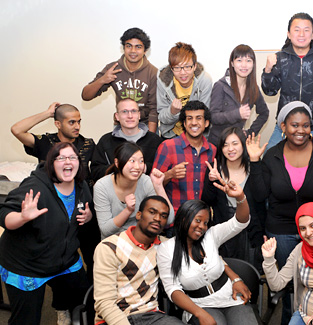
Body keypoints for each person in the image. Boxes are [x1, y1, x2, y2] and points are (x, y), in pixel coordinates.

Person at [247, 101, 313, 323]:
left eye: (306, 125)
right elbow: (259, 195)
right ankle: (291, 319)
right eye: (294, 125)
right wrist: (255, 161)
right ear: (283, 127)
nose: (301, 130)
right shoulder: (272, 156)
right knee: (290, 286)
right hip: (282, 230)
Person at [0, 142, 93, 325]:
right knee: (26, 320)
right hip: (27, 266)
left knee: (85, 302)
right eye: (61, 158)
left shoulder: (81, 186)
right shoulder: (35, 187)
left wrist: (88, 217)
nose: (68, 161)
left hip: (64, 260)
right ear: (52, 163)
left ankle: (63, 309)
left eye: (72, 157)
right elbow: (4, 215)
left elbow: (80, 213)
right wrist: (22, 217)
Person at [157, 177, 258, 325]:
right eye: (197, 220)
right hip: (199, 304)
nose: (202, 227)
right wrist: (199, 313)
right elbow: (172, 289)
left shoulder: (210, 235)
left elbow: (240, 222)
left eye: (205, 223)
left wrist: (240, 197)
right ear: (184, 218)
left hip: (230, 297)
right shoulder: (166, 249)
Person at [93, 195, 184, 325]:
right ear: (139, 215)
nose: (158, 218)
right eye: (152, 212)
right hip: (114, 319)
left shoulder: (165, 247)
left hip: (152, 316)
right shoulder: (109, 247)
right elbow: (105, 303)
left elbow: (196, 249)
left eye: (163, 216)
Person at [262, 12, 313, 148]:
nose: (301, 34)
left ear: (312, 35)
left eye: (306, 30)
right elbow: (270, 92)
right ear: (289, 34)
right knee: (268, 161)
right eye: (297, 30)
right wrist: (268, 70)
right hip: (285, 126)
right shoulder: (280, 58)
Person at [202, 127, 267, 271]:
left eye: (235, 143)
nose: (230, 149)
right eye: (225, 145)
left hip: (250, 233)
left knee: (249, 277)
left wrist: (255, 161)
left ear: (243, 145)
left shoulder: (254, 166)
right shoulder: (215, 168)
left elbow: (261, 196)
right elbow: (207, 201)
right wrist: (211, 180)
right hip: (224, 234)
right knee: (224, 276)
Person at [82, 27, 158, 132]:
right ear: (123, 48)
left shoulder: (153, 72)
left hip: (144, 125)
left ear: (145, 50)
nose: (133, 51)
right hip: (121, 125)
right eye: (129, 46)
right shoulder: (113, 68)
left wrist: (150, 139)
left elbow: (153, 110)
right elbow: (86, 96)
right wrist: (103, 80)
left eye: (138, 47)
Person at [93, 142, 173, 239]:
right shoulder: (102, 186)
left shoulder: (145, 181)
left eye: (141, 161)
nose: (137, 167)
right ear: (117, 163)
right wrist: (128, 210)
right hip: (113, 243)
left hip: (142, 240)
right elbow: (105, 229)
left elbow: (169, 219)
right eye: (132, 161)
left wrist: (159, 186)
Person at [153, 100, 216, 215]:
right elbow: (152, 186)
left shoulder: (212, 150)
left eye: (198, 118)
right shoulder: (168, 147)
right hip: (174, 218)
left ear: (206, 123)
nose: (194, 123)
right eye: (189, 118)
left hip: (201, 220)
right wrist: (170, 174)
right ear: (184, 123)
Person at [10, 102, 95, 182]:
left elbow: (98, 168)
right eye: (71, 122)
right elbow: (17, 130)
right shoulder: (46, 142)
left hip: (83, 195)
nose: (77, 127)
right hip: (51, 194)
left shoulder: (87, 144)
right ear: (58, 124)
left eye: (79, 122)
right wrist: (48, 113)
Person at [90, 98, 163, 183]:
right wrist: (120, 168)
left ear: (139, 115)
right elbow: (95, 172)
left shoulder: (155, 140)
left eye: (134, 111)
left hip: (148, 191)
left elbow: (163, 169)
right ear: (117, 116)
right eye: (124, 111)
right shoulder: (105, 141)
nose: (130, 116)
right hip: (115, 191)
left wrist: (143, 168)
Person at [208, 44, 269, 145]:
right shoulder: (220, 86)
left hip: (238, 144)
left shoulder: (253, 88)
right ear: (232, 63)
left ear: (253, 64)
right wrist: (237, 114)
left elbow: (264, 113)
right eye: (239, 60)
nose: (244, 65)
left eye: (248, 61)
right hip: (218, 143)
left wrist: (249, 133)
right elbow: (213, 117)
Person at [157, 42, 212, 139]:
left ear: (194, 66)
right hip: (172, 134)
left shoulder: (204, 81)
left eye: (187, 67)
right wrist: (172, 112)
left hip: (197, 135)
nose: (183, 73)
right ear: (171, 69)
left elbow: (205, 115)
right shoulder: (163, 81)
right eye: (177, 68)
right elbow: (161, 116)